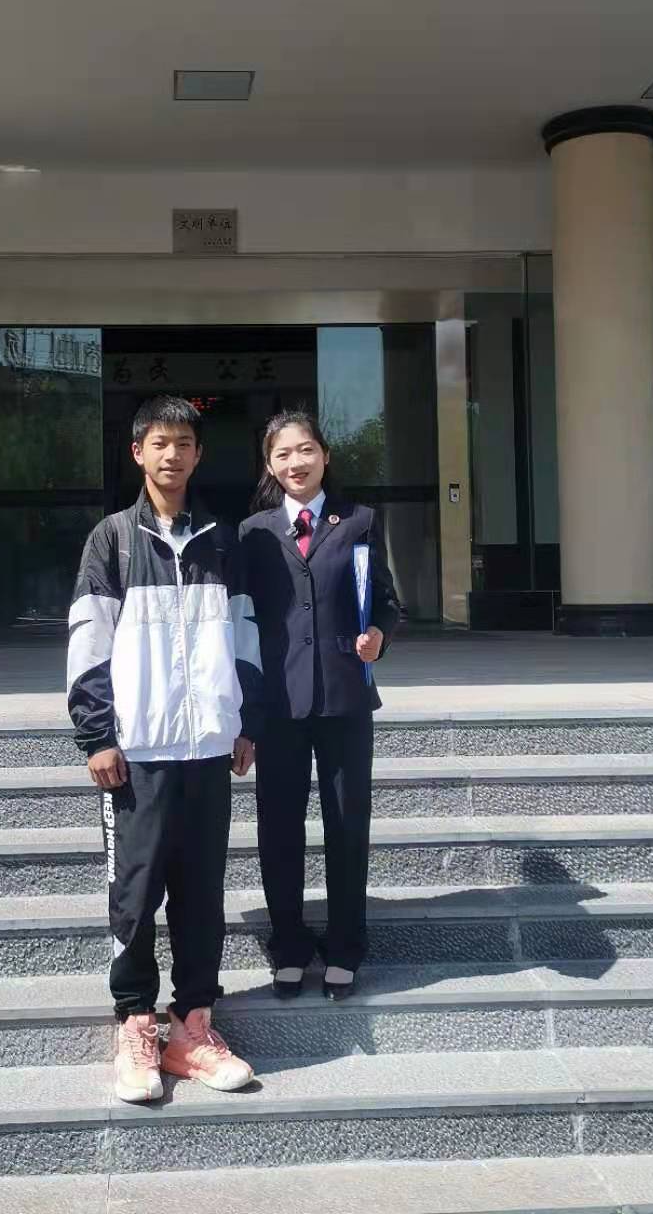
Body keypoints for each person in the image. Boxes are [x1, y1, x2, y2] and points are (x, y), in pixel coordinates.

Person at [67, 394, 263, 1103]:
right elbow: (88, 642)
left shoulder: (220, 539)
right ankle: (136, 1023)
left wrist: (244, 721)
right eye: (159, 443)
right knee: (136, 889)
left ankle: (194, 1025)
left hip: (207, 745)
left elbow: (245, 636)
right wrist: (97, 734)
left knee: (203, 890)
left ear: (199, 454)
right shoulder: (113, 540)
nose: (172, 454)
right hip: (138, 751)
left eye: (183, 443)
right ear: (137, 453)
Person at [239, 410, 399, 1001]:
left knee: (347, 826)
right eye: (282, 454)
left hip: (344, 697)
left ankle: (346, 945)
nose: (296, 463)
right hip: (279, 704)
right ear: (269, 465)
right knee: (278, 828)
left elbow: (386, 602)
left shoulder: (359, 521)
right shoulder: (254, 533)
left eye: (305, 450)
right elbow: (243, 622)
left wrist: (378, 634)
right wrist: (244, 714)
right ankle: (288, 945)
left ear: (325, 455)